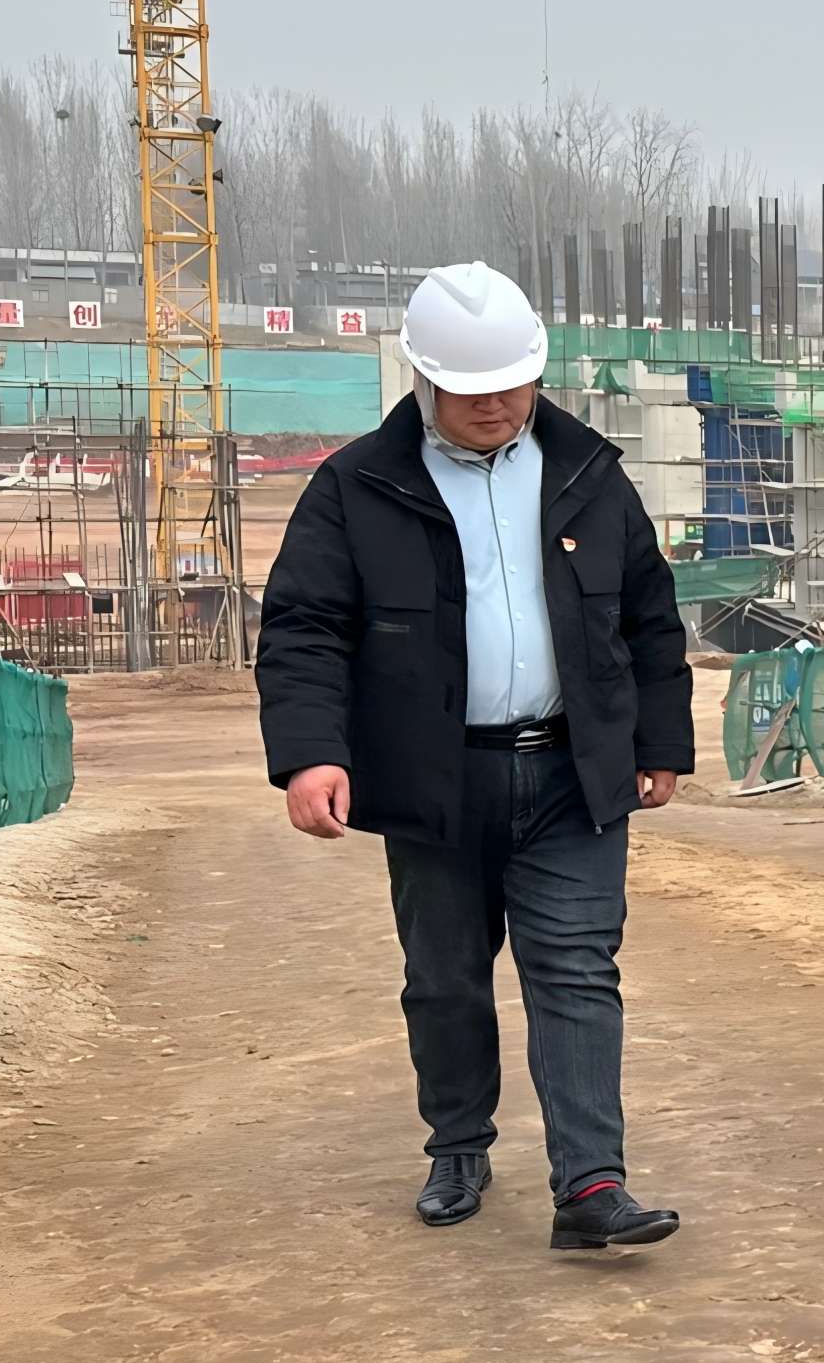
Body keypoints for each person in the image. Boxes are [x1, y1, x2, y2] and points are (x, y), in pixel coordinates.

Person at [258, 260, 694, 1250]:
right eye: (470, 390)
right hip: (434, 780)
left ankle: (591, 1185)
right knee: (446, 977)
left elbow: (649, 617)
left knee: (576, 970)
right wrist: (312, 754)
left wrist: (661, 741)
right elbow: (304, 629)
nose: (495, 405)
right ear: (423, 378)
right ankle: (458, 1143)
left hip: (571, 774)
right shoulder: (356, 488)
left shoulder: (589, 475)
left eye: (512, 384)